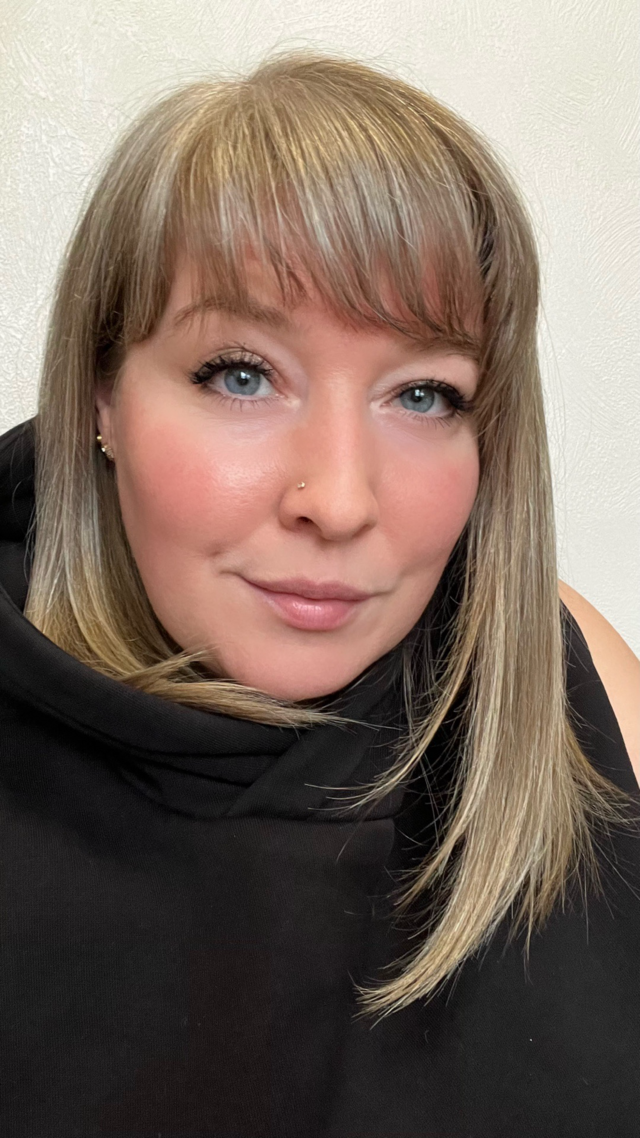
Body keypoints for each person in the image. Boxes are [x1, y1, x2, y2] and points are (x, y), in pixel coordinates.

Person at [0, 48, 638, 1138]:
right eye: (241, 374)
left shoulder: (574, 679)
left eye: (423, 394)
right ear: (102, 397)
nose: (338, 500)